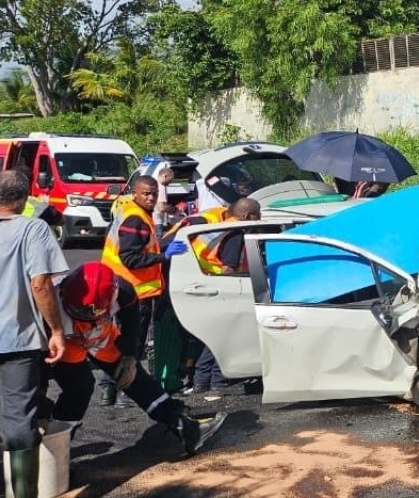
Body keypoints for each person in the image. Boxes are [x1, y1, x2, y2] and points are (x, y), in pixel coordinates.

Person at [43, 262, 226, 457]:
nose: (87, 318)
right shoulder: (48, 299)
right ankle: (55, 452)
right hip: (63, 342)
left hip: (101, 339)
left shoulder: (123, 291)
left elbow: (132, 323)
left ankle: (184, 427)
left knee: (135, 377)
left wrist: (130, 355)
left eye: (93, 313)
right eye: (81, 312)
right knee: (78, 389)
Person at [0, 169, 69, 497]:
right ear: (24, 199)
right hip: (16, 340)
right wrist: (56, 330)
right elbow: (40, 283)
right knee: (18, 423)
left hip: (14, 340)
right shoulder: (33, 229)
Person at [181, 198, 261, 396]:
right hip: (221, 292)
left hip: (202, 288)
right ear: (244, 215)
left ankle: (203, 381)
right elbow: (228, 268)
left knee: (214, 339)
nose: (260, 218)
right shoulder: (234, 235)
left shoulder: (220, 228)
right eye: (257, 214)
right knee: (226, 338)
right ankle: (216, 381)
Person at [98, 175, 166, 405]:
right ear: (135, 193)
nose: (151, 197)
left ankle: (108, 389)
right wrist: (163, 257)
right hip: (134, 292)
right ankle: (125, 392)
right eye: (146, 193)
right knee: (131, 344)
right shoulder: (135, 219)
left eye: (154, 193)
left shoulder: (124, 208)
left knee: (112, 341)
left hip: (114, 287)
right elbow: (131, 258)